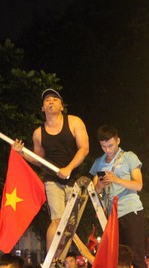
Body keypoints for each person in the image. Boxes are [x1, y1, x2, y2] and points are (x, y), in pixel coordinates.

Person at [13, 89, 89, 251]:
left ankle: (67, 254)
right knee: (56, 220)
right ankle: (51, 259)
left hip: (73, 178)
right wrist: (21, 153)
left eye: (55, 99)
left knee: (69, 223)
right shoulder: (38, 133)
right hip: (52, 179)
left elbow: (84, 149)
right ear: (42, 108)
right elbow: (38, 160)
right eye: (47, 100)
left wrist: (68, 168)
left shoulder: (75, 122)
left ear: (62, 106)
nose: (51, 102)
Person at [90, 125, 149, 268]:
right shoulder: (98, 163)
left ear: (118, 141)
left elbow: (138, 185)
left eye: (111, 145)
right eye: (104, 146)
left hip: (130, 210)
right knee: (118, 258)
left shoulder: (129, 157)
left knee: (135, 256)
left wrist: (116, 179)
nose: (108, 150)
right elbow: (94, 191)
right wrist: (100, 185)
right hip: (111, 215)